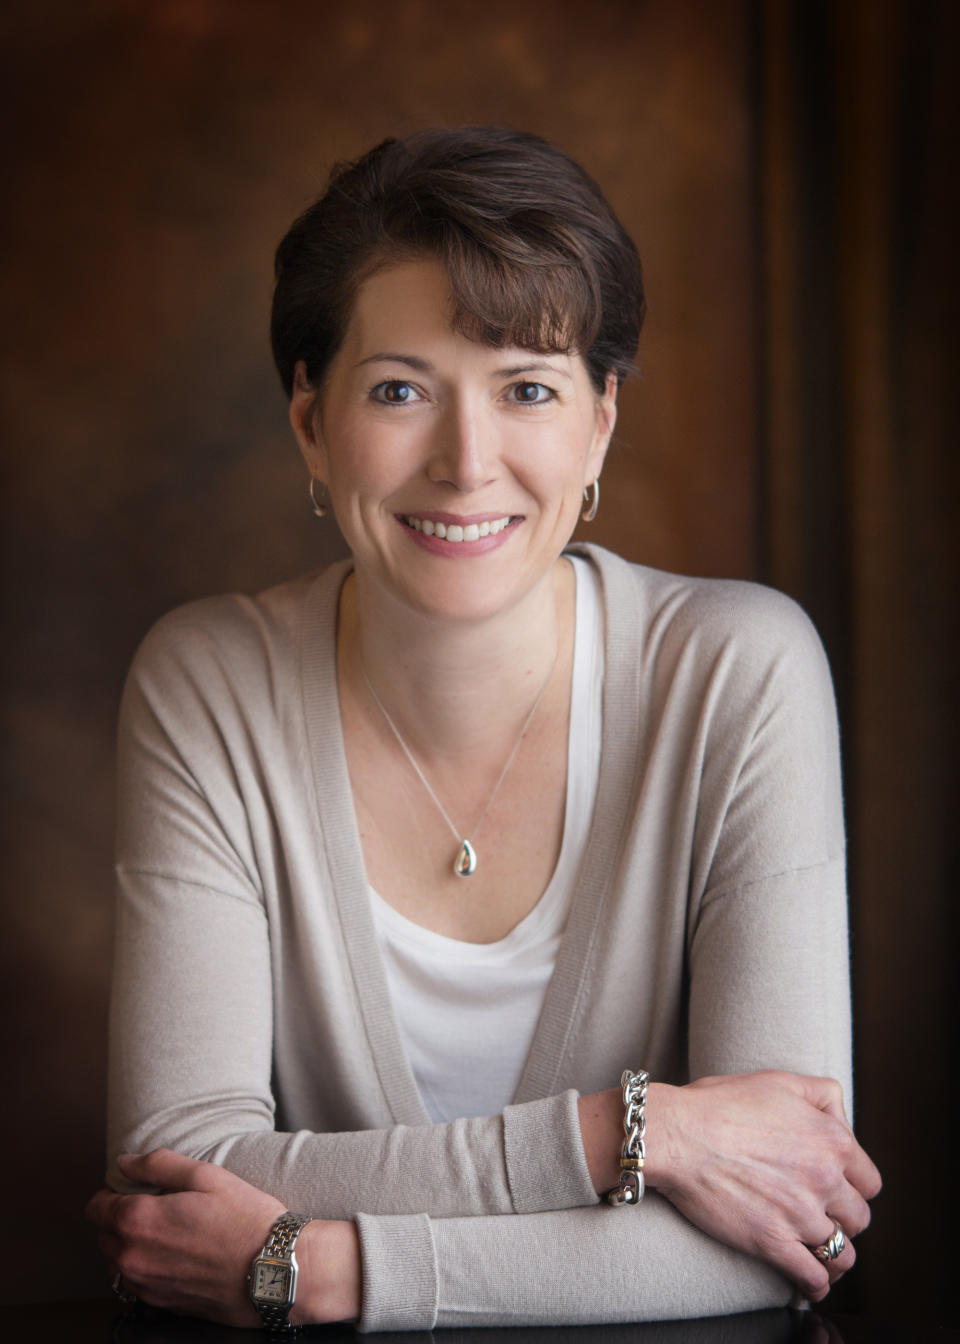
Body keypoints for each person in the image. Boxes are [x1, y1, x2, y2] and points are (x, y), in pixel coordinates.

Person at [87, 127, 881, 1333]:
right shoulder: (210, 686)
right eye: (400, 389)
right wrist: (631, 1134)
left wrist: (323, 1269)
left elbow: (782, 1232)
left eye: (528, 390)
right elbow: (177, 1183)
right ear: (310, 416)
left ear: (600, 422)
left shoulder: (737, 674)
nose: (467, 463)